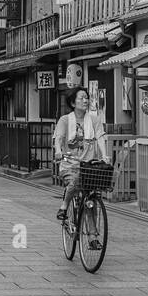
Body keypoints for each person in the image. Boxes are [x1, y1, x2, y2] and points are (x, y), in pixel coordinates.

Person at [53, 87, 110, 222]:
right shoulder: (65, 120)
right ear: (73, 103)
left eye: (86, 98)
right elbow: (59, 138)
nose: (85, 101)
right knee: (73, 182)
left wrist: (105, 155)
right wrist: (58, 151)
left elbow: (100, 137)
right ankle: (64, 206)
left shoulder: (95, 120)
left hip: (88, 166)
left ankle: (92, 237)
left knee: (91, 201)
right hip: (70, 165)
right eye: (81, 98)